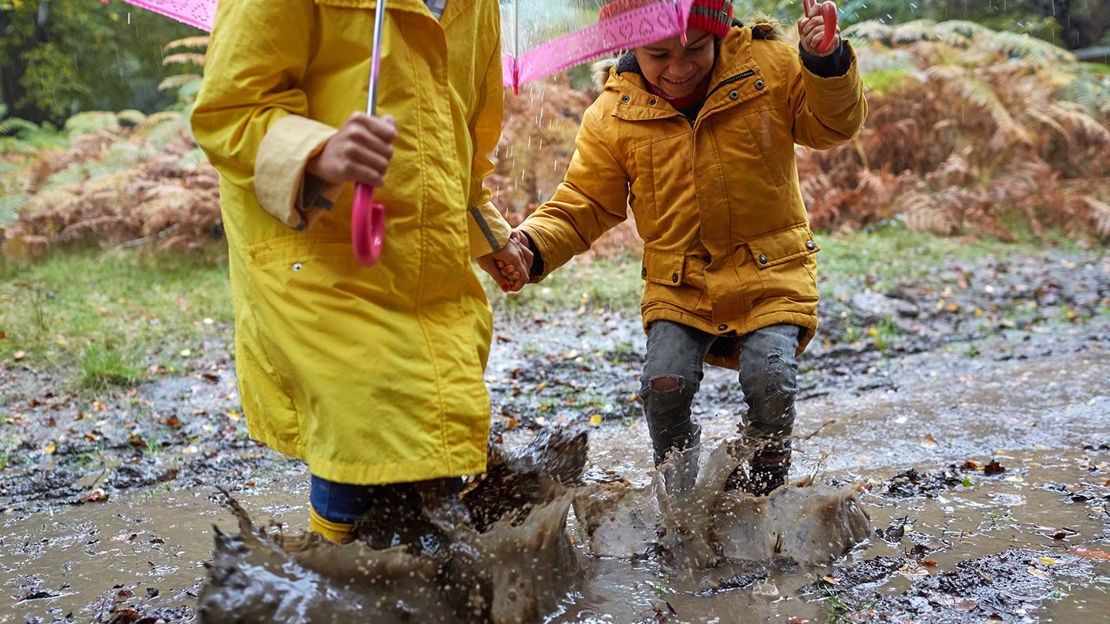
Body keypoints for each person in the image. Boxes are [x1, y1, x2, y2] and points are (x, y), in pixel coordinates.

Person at [190, 0, 531, 544]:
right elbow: (229, 111)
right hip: (320, 256)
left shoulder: (477, 7)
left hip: (428, 268)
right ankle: (333, 572)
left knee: (433, 443)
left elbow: (463, 141)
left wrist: (488, 233)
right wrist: (318, 150)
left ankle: (409, 577)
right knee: (359, 427)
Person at [506, 0, 866, 495]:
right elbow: (585, 202)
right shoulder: (613, 113)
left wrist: (825, 62)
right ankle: (679, 494)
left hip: (772, 271)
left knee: (771, 379)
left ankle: (764, 488)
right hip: (679, 283)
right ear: (629, 45)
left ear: (718, 34)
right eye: (657, 55)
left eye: (696, 49)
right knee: (664, 385)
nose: (678, 68)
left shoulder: (770, 67)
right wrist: (531, 244)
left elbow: (834, 126)